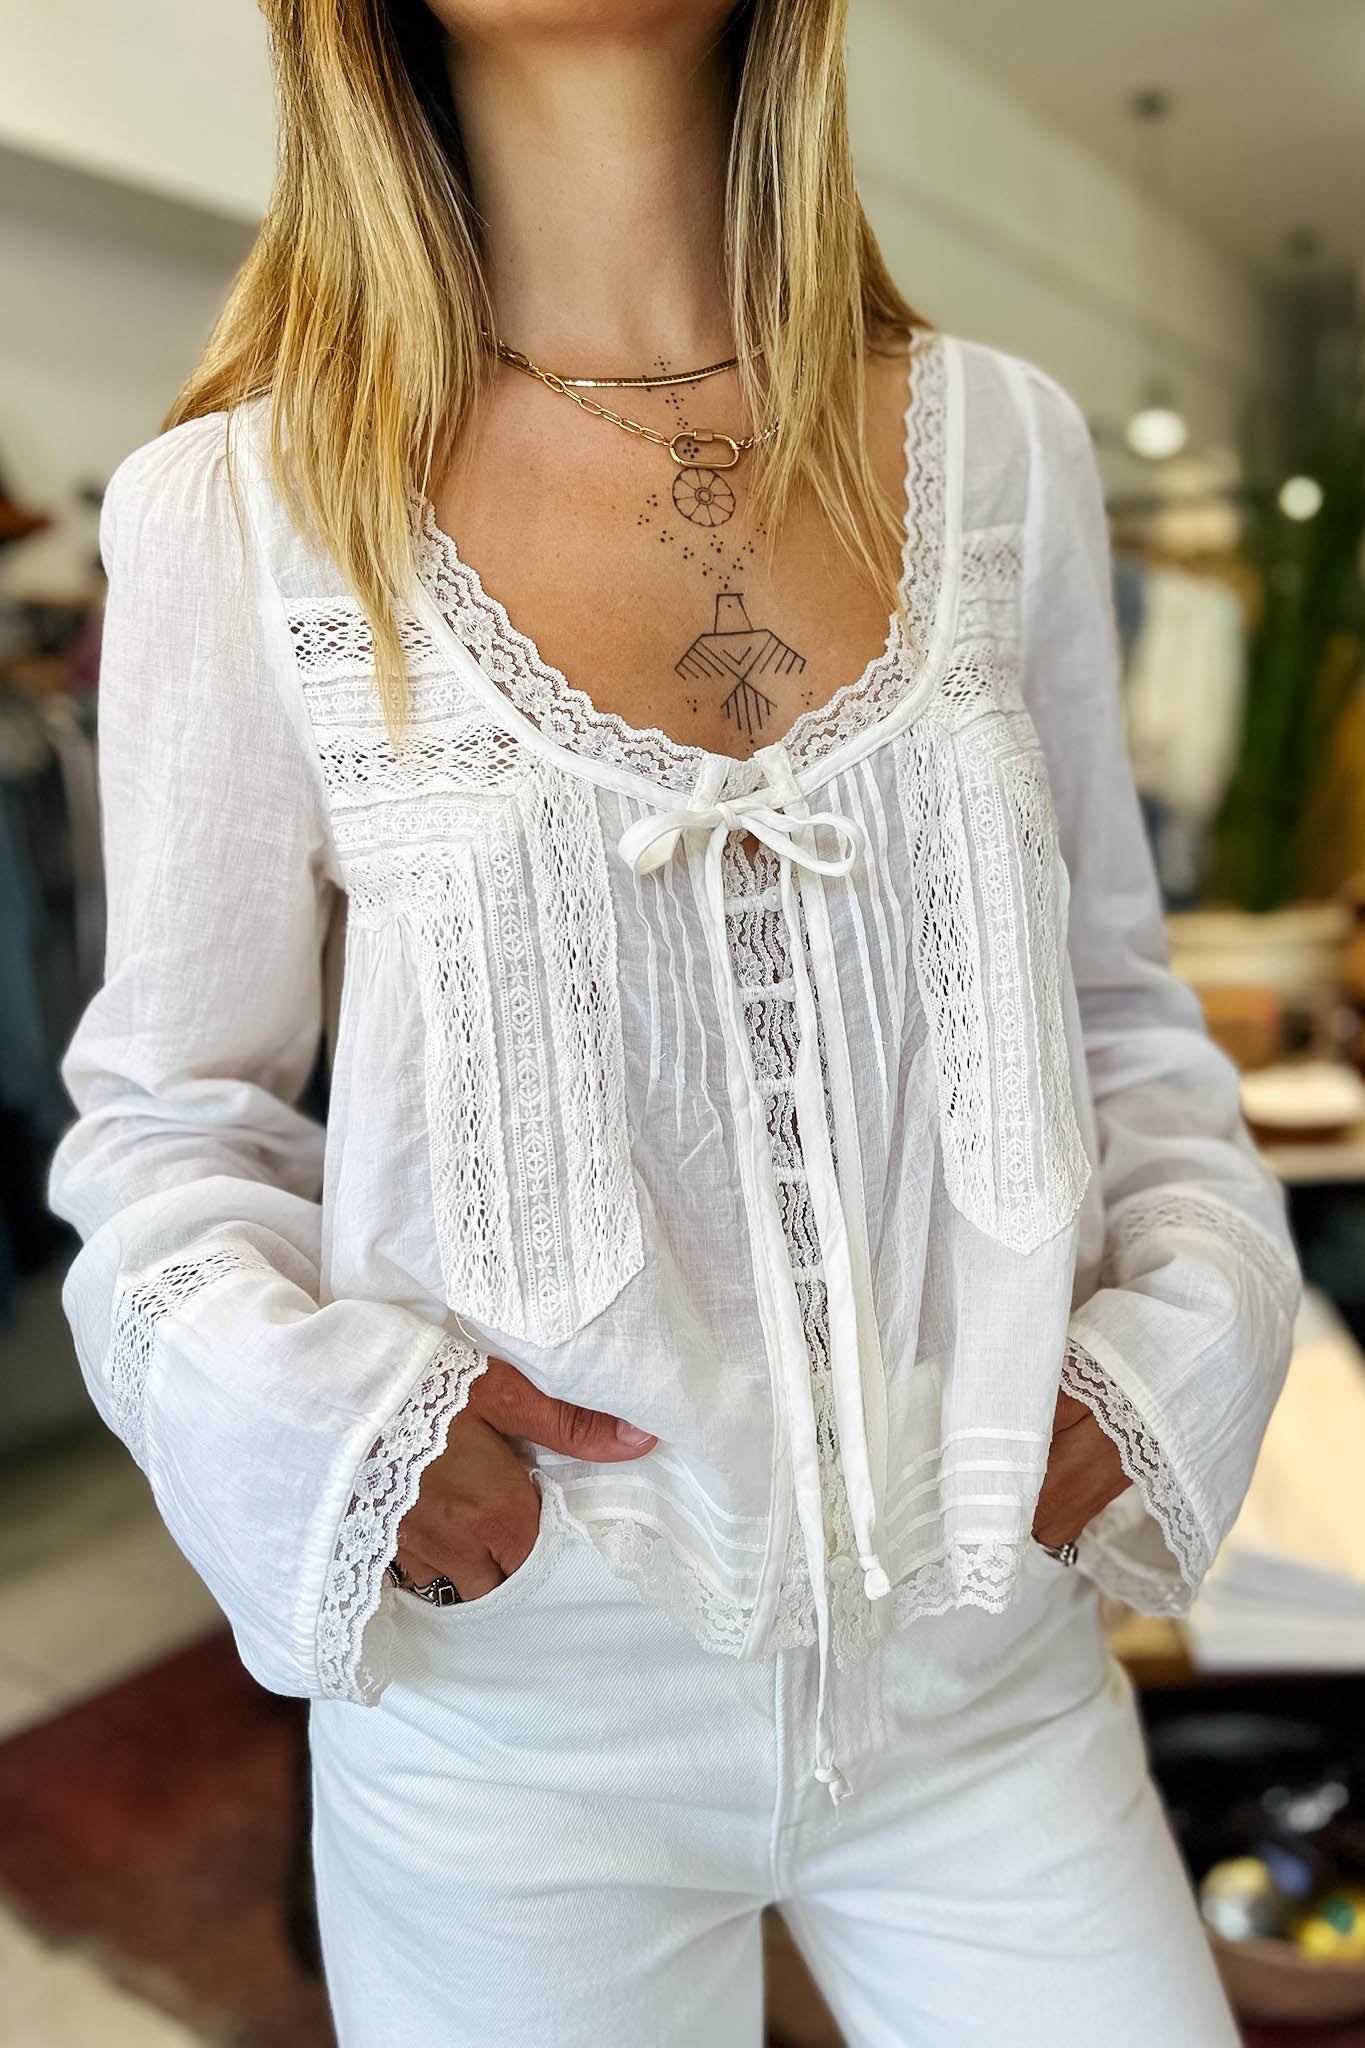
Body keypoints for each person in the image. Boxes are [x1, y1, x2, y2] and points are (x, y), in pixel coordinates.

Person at [48, 2, 1301, 2041]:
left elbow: (1116, 1012)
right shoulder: (246, 506)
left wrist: (1171, 1349)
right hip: (520, 1714)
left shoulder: (1000, 447)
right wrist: (339, 1434)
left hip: (993, 1670)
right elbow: (170, 1117)